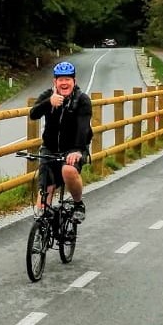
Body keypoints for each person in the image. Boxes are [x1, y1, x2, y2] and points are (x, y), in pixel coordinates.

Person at [29, 61, 92, 222]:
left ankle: (78, 204)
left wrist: (77, 150)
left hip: (74, 147)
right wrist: (48, 103)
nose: (64, 83)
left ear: (74, 81)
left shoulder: (82, 100)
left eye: (68, 79)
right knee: (44, 195)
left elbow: (84, 128)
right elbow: (33, 114)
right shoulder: (48, 96)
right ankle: (40, 232)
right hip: (50, 148)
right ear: (55, 82)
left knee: (68, 171)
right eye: (60, 79)